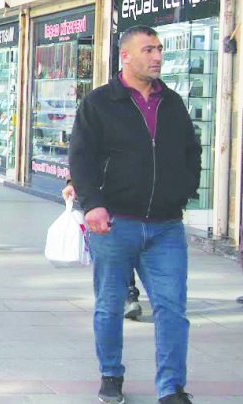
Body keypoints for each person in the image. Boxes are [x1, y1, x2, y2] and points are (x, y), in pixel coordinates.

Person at [69, 25, 201, 404]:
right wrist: (92, 203)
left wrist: (184, 190)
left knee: (173, 309)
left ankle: (171, 387)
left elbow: (192, 152)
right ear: (125, 56)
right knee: (110, 306)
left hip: (166, 227)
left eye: (159, 49)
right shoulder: (98, 103)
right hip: (114, 225)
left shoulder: (172, 103)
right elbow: (81, 157)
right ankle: (111, 374)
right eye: (148, 49)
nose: (157, 56)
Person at [63, 182, 143, 320]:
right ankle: (128, 295)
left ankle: (128, 295)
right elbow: (84, 160)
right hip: (106, 197)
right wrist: (73, 181)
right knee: (116, 242)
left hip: (133, 195)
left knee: (121, 244)